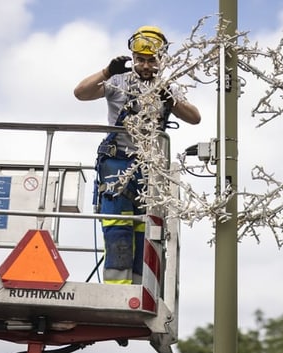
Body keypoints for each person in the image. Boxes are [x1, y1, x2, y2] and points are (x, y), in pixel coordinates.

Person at [74, 25, 201, 285]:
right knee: (118, 229)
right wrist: (107, 71)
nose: (145, 65)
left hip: (149, 170)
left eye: (150, 60)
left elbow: (195, 117)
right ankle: (116, 291)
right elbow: (80, 93)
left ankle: (140, 288)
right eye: (140, 60)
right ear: (132, 58)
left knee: (146, 232)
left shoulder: (165, 87)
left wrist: (170, 100)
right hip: (117, 165)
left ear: (161, 59)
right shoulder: (118, 80)